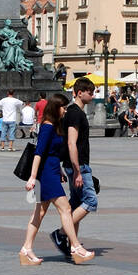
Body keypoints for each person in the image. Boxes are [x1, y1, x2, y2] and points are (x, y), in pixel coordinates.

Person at [20, 93, 93, 265]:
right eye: (63, 108)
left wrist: (59, 169)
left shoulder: (55, 126)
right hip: (45, 174)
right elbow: (39, 153)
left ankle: (26, 249)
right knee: (66, 209)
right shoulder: (47, 127)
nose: (65, 111)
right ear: (55, 108)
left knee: (40, 212)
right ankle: (75, 247)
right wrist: (32, 177)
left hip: (52, 171)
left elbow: (51, 153)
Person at [50, 77, 97, 260]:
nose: (92, 95)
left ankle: (72, 245)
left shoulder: (72, 112)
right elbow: (71, 142)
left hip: (73, 164)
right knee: (91, 201)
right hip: (78, 165)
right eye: (90, 92)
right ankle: (61, 233)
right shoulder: (75, 113)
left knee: (76, 203)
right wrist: (77, 170)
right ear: (79, 92)